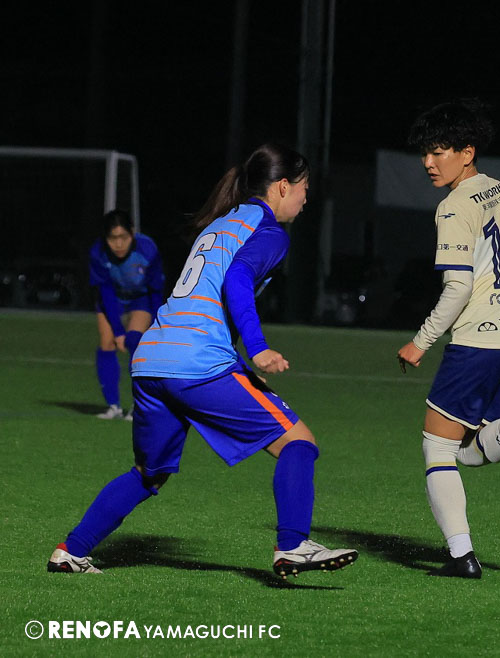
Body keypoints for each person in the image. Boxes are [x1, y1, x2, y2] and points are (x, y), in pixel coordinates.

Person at [48, 143, 358, 579]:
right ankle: (293, 545)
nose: (307, 198)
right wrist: (257, 347)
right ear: (283, 186)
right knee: (298, 443)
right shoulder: (269, 232)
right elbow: (237, 277)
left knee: (149, 473)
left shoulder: (223, 222)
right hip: (197, 362)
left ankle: (70, 550)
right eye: (305, 187)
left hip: (151, 359)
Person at [397, 99, 500, 579]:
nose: (428, 162)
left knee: (437, 449)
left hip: (482, 341)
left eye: (439, 151)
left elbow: (459, 287)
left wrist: (421, 341)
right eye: (425, 153)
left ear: (467, 152)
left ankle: (461, 557)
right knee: (468, 449)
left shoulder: (453, 206)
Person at [89, 209, 164, 420]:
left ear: (132, 232)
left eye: (123, 237)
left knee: (134, 341)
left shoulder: (148, 249)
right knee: (107, 343)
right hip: (112, 299)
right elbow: (105, 292)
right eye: (113, 238)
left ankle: (138, 405)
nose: (119, 244)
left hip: (141, 298)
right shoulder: (98, 253)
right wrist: (117, 330)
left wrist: (157, 324)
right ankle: (113, 406)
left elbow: (156, 290)